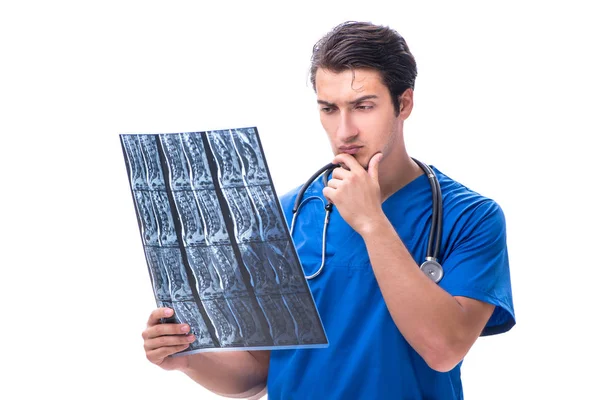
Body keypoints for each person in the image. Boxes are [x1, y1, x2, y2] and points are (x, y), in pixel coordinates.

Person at [141, 21, 515, 399]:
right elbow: (258, 374)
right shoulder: (286, 216)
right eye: (329, 109)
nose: (344, 131)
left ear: (403, 103)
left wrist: (371, 221)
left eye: (363, 106)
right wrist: (186, 357)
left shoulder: (471, 217)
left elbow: (443, 350)